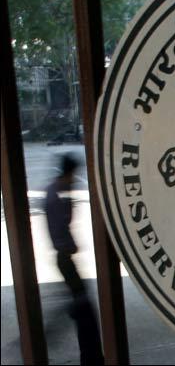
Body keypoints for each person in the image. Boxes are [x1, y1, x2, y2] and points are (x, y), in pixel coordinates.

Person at [45, 153, 104, 365]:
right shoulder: (59, 195)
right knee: (83, 308)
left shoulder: (53, 190)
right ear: (69, 173)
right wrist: (71, 244)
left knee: (81, 305)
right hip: (65, 258)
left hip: (63, 258)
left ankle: (89, 355)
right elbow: (63, 225)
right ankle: (90, 357)